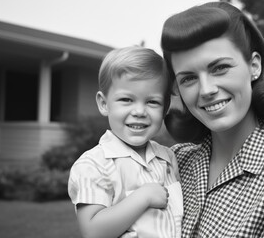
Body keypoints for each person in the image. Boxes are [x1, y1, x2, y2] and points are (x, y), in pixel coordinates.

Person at [160, 1, 264, 238]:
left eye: (219, 68)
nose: (206, 90)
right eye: (188, 79)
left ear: (254, 66)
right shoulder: (175, 161)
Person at [68, 46, 183, 238]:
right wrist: (143, 197)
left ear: (165, 109)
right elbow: (93, 232)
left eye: (152, 102)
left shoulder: (168, 158)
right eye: (126, 99)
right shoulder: (94, 165)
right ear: (104, 104)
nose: (139, 111)